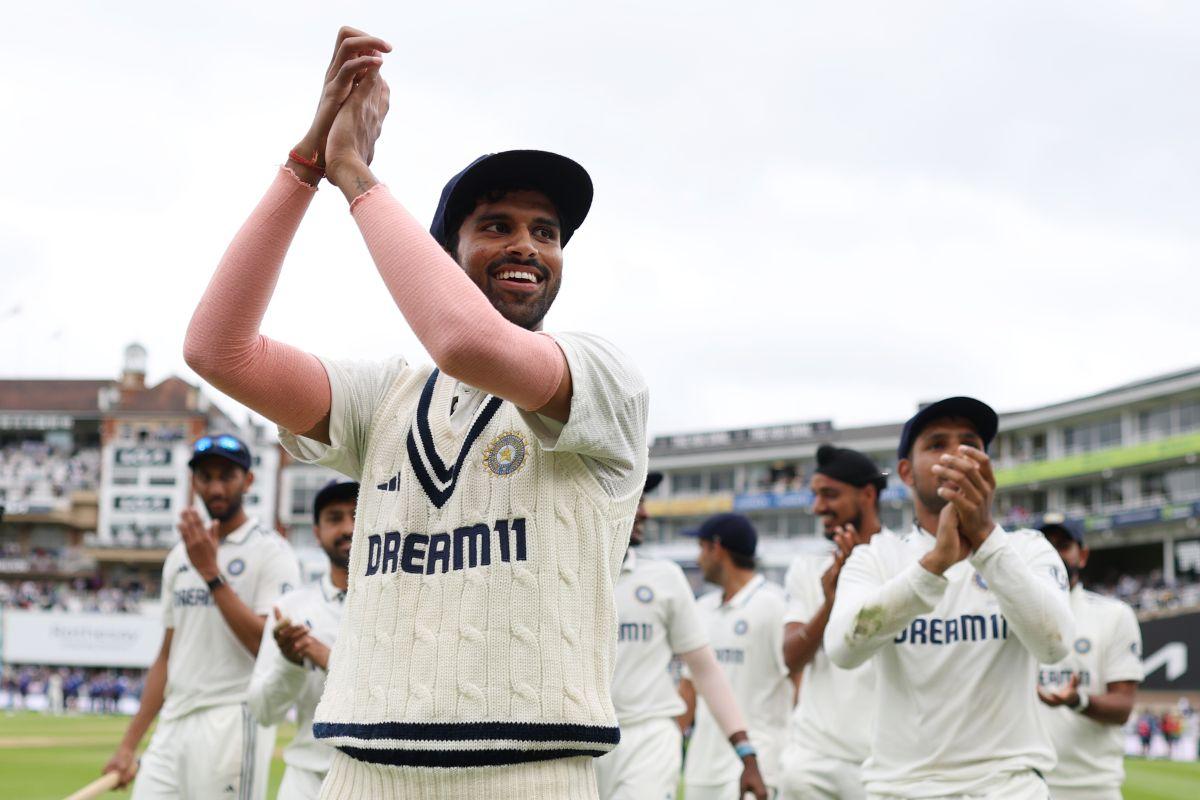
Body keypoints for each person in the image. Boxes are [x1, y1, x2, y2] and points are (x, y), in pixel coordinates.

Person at [183, 26, 650, 798]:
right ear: (441, 252)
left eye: (547, 232)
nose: (527, 246)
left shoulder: (605, 375)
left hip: (529, 773)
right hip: (359, 771)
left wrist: (356, 176)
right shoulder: (388, 397)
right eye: (496, 226)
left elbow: (466, 341)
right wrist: (305, 166)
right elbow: (217, 349)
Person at [824, 397, 1074, 800]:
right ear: (906, 472)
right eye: (937, 444)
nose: (956, 454)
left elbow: (1055, 645)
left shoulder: (1029, 549)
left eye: (969, 442)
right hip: (901, 788)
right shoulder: (875, 558)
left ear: (987, 464)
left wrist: (988, 544)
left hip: (1008, 787)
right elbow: (842, 649)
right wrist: (934, 565)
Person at [103, 434, 300, 799]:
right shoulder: (180, 556)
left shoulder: (271, 552)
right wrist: (128, 745)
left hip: (232, 718)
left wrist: (212, 574)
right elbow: (166, 655)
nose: (215, 487)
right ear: (193, 482)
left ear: (248, 481)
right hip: (174, 722)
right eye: (205, 477)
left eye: (227, 476)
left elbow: (268, 648)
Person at [597, 475, 767, 800]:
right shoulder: (560, 575)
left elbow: (704, 671)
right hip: (579, 741)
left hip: (648, 738)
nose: (645, 513)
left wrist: (746, 753)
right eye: (637, 500)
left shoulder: (664, 577)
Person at [778, 445, 892, 800]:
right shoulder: (808, 567)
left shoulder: (903, 560)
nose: (817, 507)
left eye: (830, 494)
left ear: (868, 494)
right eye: (815, 495)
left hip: (881, 761)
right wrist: (830, 602)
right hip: (812, 759)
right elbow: (792, 658)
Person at [249, 479, 358, 799]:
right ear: (316, 532)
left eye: (357, 514)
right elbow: (262, 711)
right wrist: (290, 662)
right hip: (305, 780)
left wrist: (327, 658)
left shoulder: (403, 602)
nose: (348, 528)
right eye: (334, 518)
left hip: (375, 777)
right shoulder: (291, 609)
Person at [679, 513, 790, 800]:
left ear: (717, 548)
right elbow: (689, 688)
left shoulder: (774, 605)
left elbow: (798, 679)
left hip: (759, 762)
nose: (698, 558)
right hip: (702, 769)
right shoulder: (701, 609)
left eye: (701, 548)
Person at [1035, 513, 1142, 800]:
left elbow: (1122, 706)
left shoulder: (1113, 615)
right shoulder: (1010, 616)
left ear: (1082, 555)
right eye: (1045, 544)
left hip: (1092, 788)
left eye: (1062, 545)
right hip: (1025, 786)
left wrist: (1076, 700)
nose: (1053, 554)